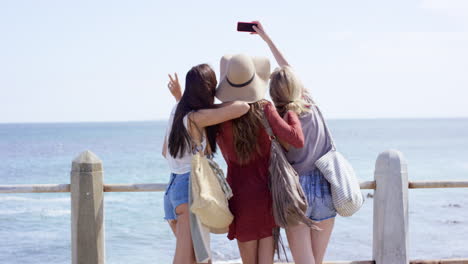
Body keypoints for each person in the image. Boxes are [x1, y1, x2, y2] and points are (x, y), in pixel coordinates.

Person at [252, 21, 337, 264]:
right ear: (297, 87)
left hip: (296, 190)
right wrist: (267, 39)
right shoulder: (310, 103)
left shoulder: (276, 120)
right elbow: (288, 68)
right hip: (324, 185)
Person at [215, 53, 305, 264]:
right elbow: (297, 140)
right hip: (266, 195)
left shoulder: (219, 117)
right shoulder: (265, 108)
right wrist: (291, 109)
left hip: (239, 198)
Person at [162, 64, 250, 264]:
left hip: (172, 190)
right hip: (189, 190)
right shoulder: (196, 117)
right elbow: (243, 107)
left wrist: (180, 98)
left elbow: (164, 151)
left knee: (199, 258)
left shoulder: (177, 111)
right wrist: (213, 103)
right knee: (188, 259)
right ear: (208, 89)